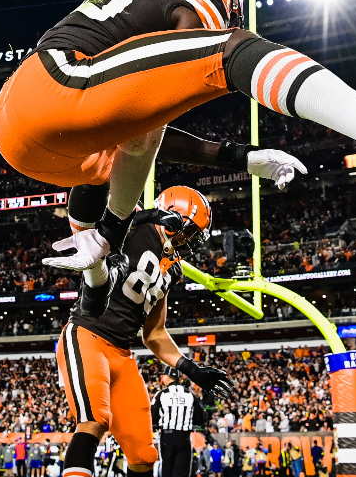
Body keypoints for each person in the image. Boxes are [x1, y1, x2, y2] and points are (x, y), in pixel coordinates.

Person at [0, 0, 356, 291]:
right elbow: (206, 54)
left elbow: (148, 126)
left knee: (140, 134)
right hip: (55, 84)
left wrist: (243, 157)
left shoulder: (131, 25)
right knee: (232, 49)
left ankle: (102, 233)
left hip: (35, 135)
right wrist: (230, 72)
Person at [52, 186, 235, 477]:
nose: (190, 242)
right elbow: (90, 202)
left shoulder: (174, 269)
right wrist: (146, 216)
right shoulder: (135, 222)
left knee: (144, 454)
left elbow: (155, 334)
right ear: (172, 216)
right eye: (190, 231)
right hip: (87, 335)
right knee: (94, 421)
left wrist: (192, 369)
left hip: (122, 354)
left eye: (195, 237)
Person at [151, 368, 207, 477]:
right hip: (184, 437)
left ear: (167, 378)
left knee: (167, 470)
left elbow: (153, 417)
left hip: (167, 436)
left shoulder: (161, 394)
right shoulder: (190, 395)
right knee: (182, 473)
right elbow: (200, 417)